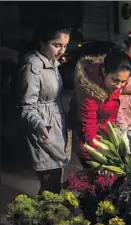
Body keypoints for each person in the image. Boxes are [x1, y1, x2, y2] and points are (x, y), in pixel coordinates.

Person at [18, 21, 71, 194]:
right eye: (57, 45)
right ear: (42, 42)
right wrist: (39, 125)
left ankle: (52, 219)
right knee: (50, 185)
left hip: (57, 124)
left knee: (56, 182)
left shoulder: (51, 61)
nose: (62, 50)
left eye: (65, 46)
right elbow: (26, 106)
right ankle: (41, 220)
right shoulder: (33, 67)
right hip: (44, 128)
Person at [70, 50, 131, 168]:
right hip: (91, 144)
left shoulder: (113, 84)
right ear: (104, 71)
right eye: (115, 80)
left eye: (124, 81)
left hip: (107, 139)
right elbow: (88, 125)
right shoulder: (89, 91)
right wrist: (100, 154)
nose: (119, 86)